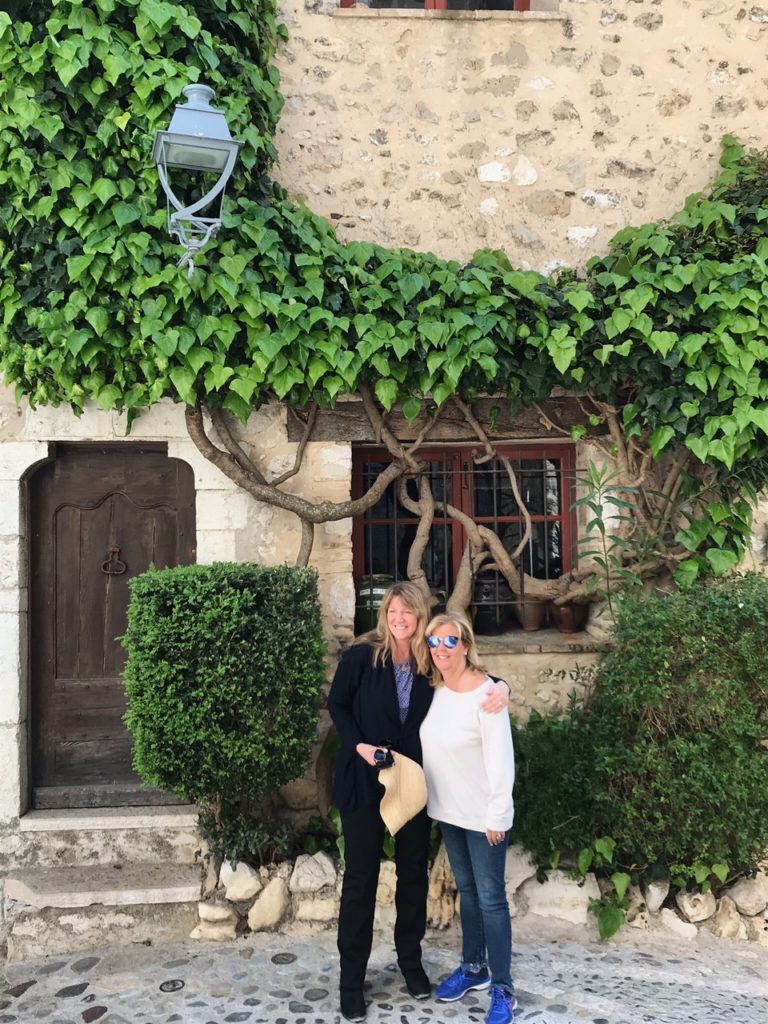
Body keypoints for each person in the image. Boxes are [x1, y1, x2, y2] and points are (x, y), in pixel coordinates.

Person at [327, 582, 510, 1023]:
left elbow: (472, 680)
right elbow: (337, 706)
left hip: (412, 783)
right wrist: (360, 747)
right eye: (394, 611)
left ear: (420, 616)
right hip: (365, 779)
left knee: (413, 876)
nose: (401, 619)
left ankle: (410, 964)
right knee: (360, 881)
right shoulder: (362, 656)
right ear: (385, 615)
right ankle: (351, 981)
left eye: (409, 612)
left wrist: (503, 687)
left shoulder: (431, 664)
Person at [420, 612, 517, 1024]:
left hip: (484, 817)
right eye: (434, 643)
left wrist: (497, 814)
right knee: (469, 892)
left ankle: (503, 988)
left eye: (449, 642)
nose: (441, 650)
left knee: (492, 900)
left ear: (464, 644)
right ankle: (474, 968)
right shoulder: (437, 690)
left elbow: (501, 761)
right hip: (449, 813)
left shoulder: (488, 694)